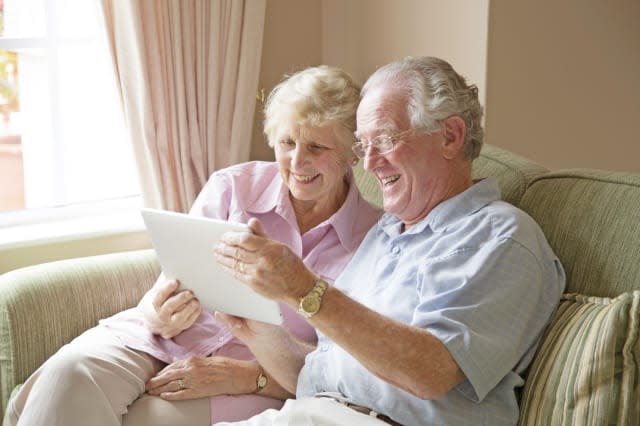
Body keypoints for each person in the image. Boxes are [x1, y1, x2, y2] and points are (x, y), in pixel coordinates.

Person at [6, 65, 382, 426]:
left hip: (250, 377)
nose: (298, 161)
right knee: (68, 374)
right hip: (158, 339)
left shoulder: (375, 239)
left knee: (143, 420)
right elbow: (170, 280)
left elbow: (350, 372)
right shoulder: (233, 187)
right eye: (287, 142)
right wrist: (158, 313)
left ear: (354, 152)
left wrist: (252, 376)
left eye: (317, 147)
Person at [211, 56, 566, 426]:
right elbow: (316, 376)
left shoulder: (500, 237)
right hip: (310, 413)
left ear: (450, 136)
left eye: (383, 140)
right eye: (364, 146)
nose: (369, 164)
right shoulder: (385, 232)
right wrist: (254, 327)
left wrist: (304, 289)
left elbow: (430, 372)